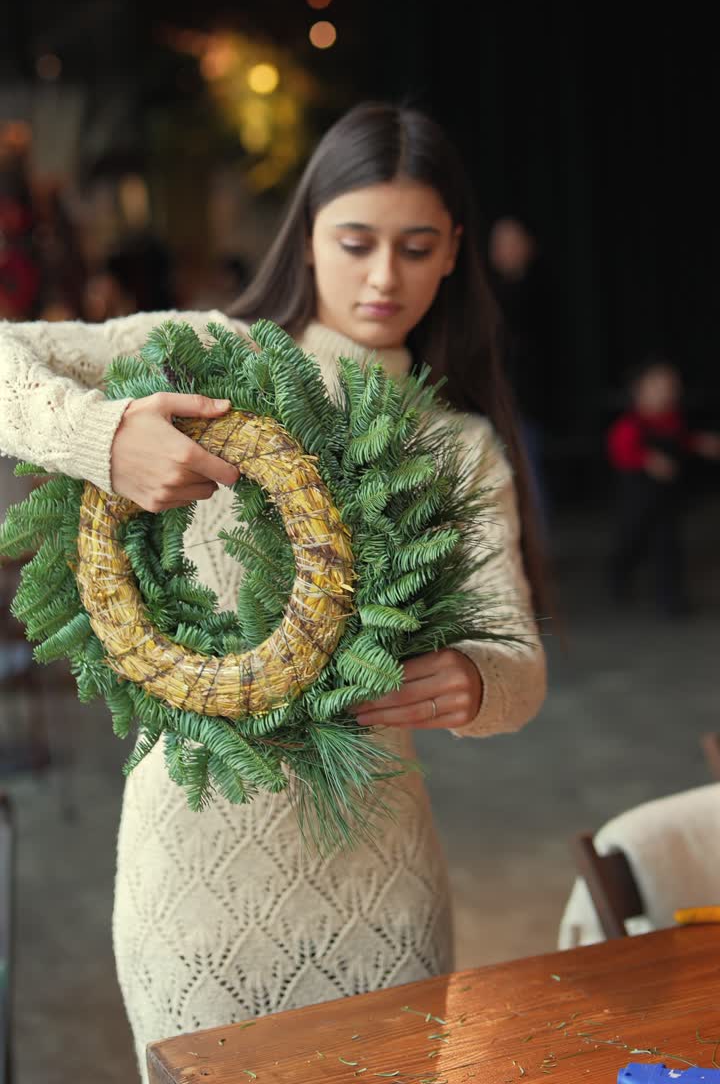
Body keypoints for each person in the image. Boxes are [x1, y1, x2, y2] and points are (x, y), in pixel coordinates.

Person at [0, 102, 546, 1080]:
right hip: (195, 888)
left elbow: (518, 653)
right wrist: (103, 435)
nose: (385, 277)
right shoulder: (210, 359)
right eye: (357, 241)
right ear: (307, 234)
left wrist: (476, 678)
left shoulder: (458, 444)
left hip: (382, 892)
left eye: (417, 247)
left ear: (455, 251)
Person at [607, 359, 720, 615]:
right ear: (638, 390)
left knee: (667, 545)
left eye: (671, 387)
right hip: (638, 498)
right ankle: (619, 575)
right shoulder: (629, 425)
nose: (666, 393)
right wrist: (647, 459)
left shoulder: (672, 421)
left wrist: (700, 443)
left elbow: (682, 441)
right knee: (632, 540)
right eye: (658, 387)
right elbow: (621, 452)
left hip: (666, 499)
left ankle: (671, 600)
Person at [487, 216, 550, 539]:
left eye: (513, 242)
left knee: (529, 473)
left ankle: (536, 552)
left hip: (525, 401)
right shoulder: (483, 296)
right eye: (499, 243)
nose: (505, 250)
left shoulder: (542, 293)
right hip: (487, 399)